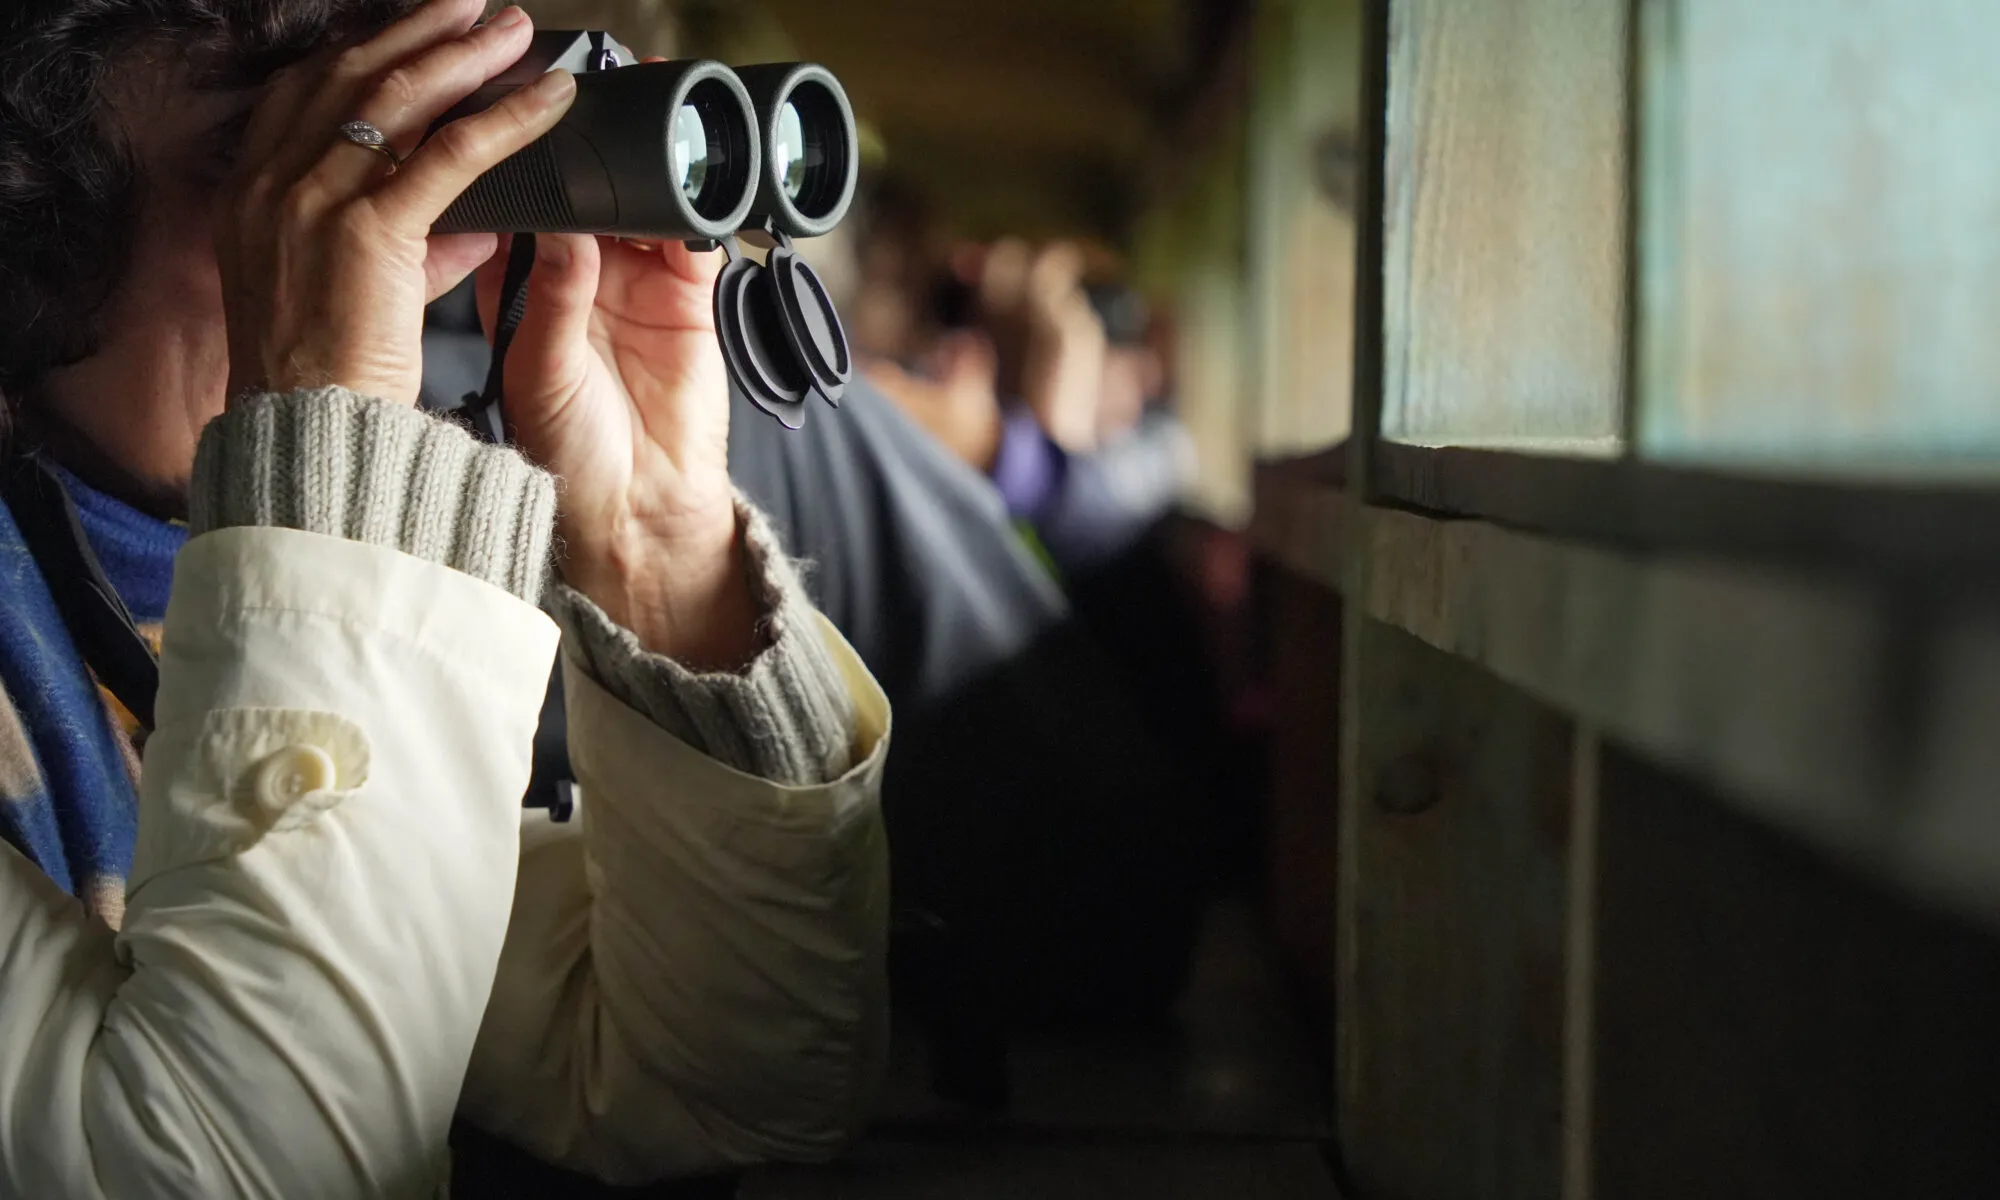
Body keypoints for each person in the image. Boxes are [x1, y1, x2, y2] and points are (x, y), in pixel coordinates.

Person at [0, 1, 891, 1195]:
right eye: (270, 154)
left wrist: (650, 539)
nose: (364, 233)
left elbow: (726, 1091)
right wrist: (331, 470)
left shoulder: (180, 598)